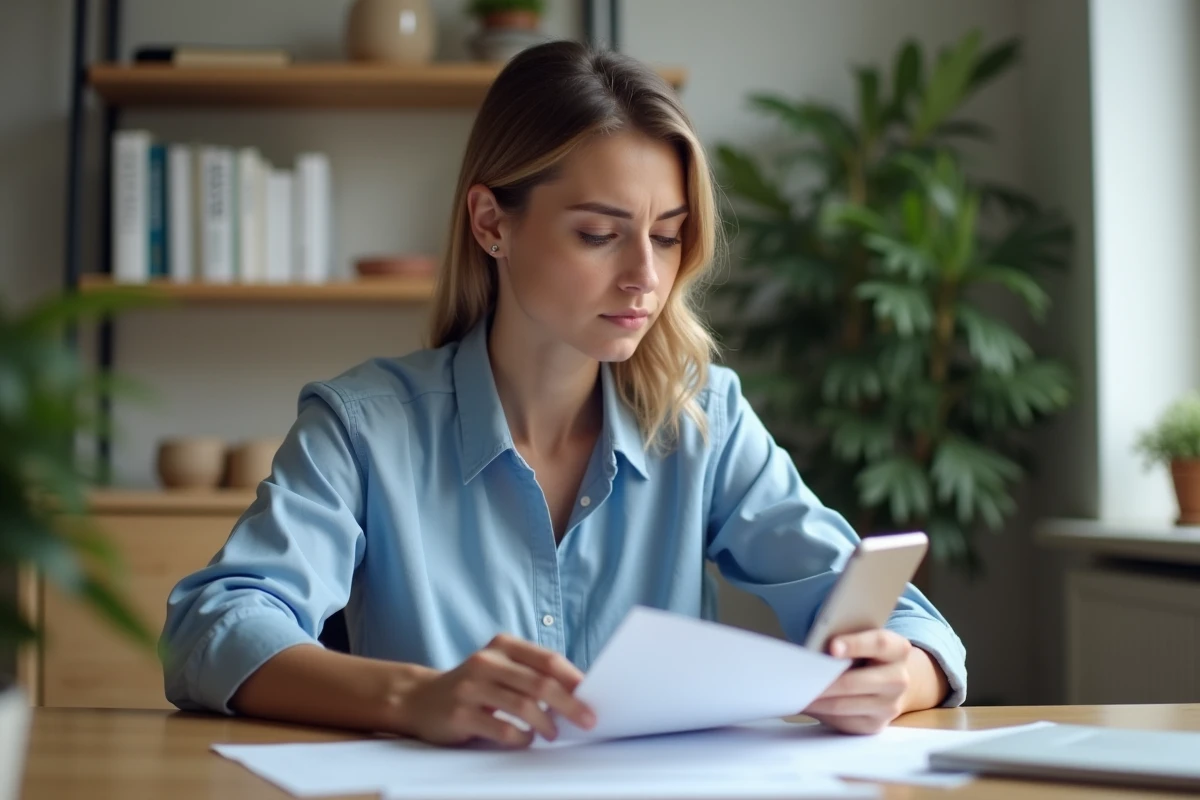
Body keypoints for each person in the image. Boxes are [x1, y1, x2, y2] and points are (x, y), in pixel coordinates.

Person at [160, 40, 966, 748]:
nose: (645, 278)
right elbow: (214, 626)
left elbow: (908, 626)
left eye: (666, 234)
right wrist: (415, 697)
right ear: (491, 222)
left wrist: (903, 674)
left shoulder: (702, 417)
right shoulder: (365, 428)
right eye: (598, 233)